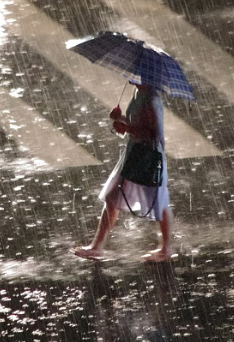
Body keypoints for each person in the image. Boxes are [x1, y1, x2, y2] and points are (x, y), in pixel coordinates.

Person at [74, 83, 174, 262]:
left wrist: (127, 128)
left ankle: (166, 248)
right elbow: (138, 124)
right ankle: (97, 247)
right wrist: (121, 118)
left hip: (148, 157)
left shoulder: (152, 99)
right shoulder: (139, 92)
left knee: (159, 201)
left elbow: (154, 134)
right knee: (113, 197)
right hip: (134, 153)